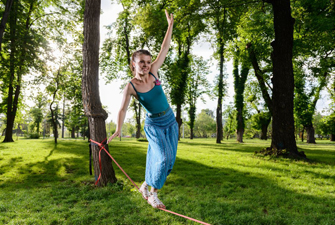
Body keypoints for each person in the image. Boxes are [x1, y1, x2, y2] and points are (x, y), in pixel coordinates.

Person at [107, 9, 178, 209]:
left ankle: (145, 184)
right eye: (142, 62)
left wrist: (170, 26)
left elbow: (164, 48)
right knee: (163, 158)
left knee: (169, 162)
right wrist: (118, 129)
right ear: (133, 64)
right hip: (154, 124)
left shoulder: (154, 73)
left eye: (148, 62)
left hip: (171, 121)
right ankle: (154, 195)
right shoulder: (131, 86)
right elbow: (122, 109)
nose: (146, 65)